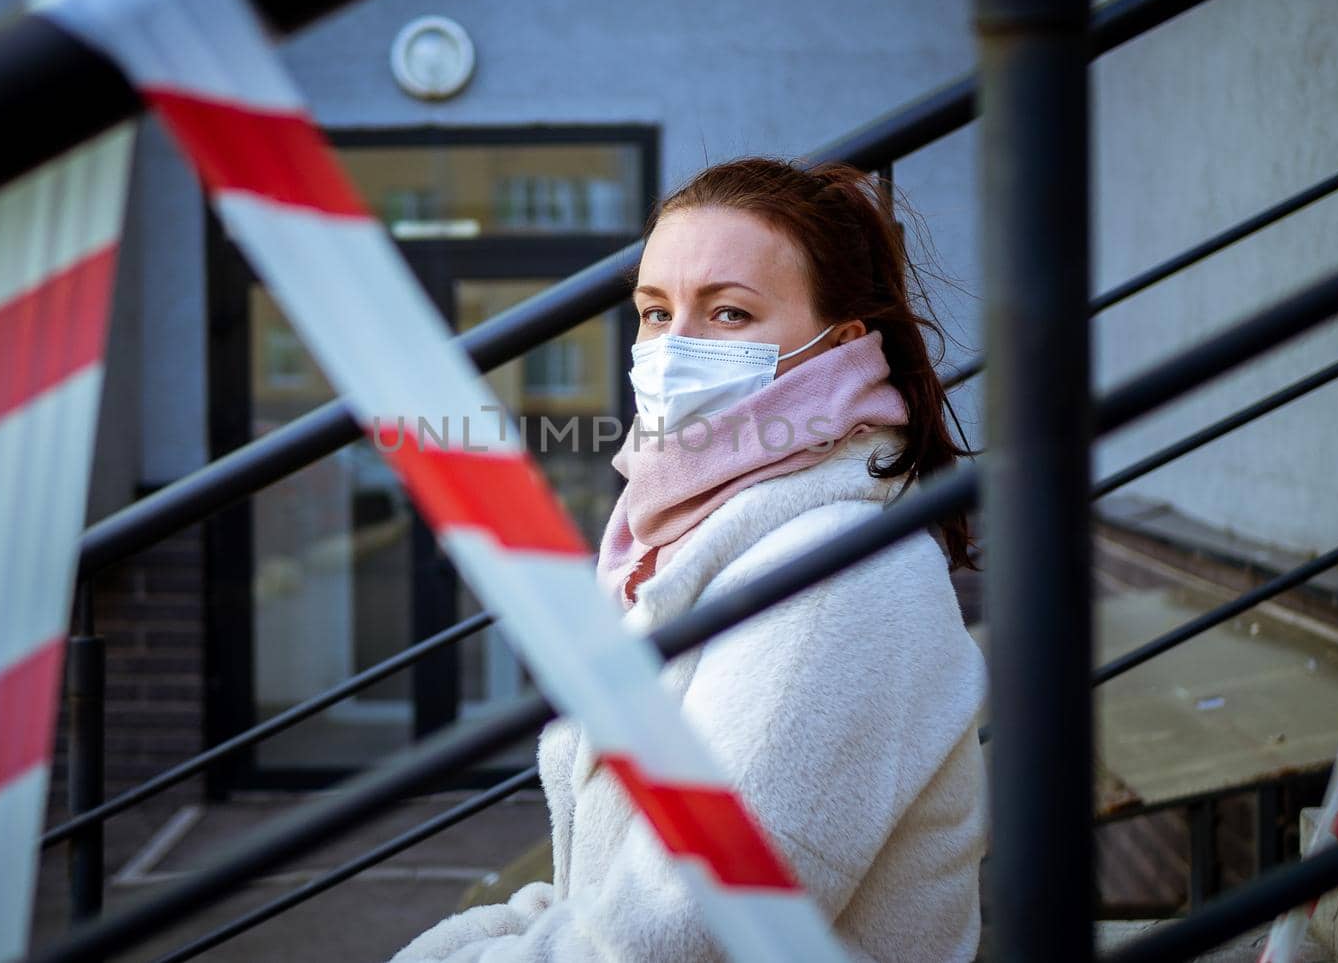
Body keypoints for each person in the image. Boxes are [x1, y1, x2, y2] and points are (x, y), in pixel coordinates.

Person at [392, 157, 988, 962]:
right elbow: (606, 889)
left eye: (731, 314)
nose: (674, 349)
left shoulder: (831, 579)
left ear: (841, 346)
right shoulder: (687, 534)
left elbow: (687, 932)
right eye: (654, 311)